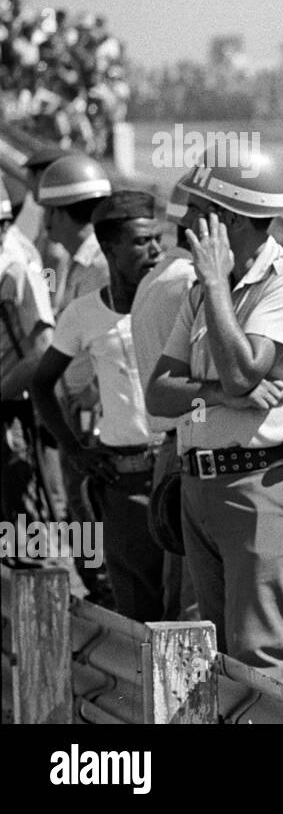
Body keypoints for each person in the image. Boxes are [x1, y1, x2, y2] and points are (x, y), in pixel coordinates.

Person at [146, 143, 283, 677]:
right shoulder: (206, 292)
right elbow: (159, 393)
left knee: (257, 656)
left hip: (259, 485)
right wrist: (220, 395)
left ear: (229, 219)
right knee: (214, 655)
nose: (183, 221)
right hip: (198, 484)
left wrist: (213, 285)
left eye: (197, 210)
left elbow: (243, 370)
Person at [32, 191, 169, 621]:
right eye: (140, 241)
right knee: (137, 609)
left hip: (175, 475)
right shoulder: (82, 315)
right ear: (108, 249)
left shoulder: (175, 302)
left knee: (184, 605)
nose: (155, 250)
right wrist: (75, 452)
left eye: (157, 239)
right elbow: (42, 384)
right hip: (123, 481)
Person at [37, 151, 114, 605]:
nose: (44, 221)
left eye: (49, 210)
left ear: (65, 212)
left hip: (92, 414)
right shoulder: (82, 262)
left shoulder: (101, 265)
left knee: (88, 513)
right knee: (79, 516)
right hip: (75, 409)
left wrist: (91, 396)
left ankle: (108, 597)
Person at [129, 179, 199, 620]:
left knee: (183, 590)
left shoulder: (156, 277)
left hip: (171, 446)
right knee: (193, 599)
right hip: (187, 445)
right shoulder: (192, 280)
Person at [1, 188, 57, 562]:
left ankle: (37, 597)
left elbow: (42, 350)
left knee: (23, 512)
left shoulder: (19, 268)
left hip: (12, 407)